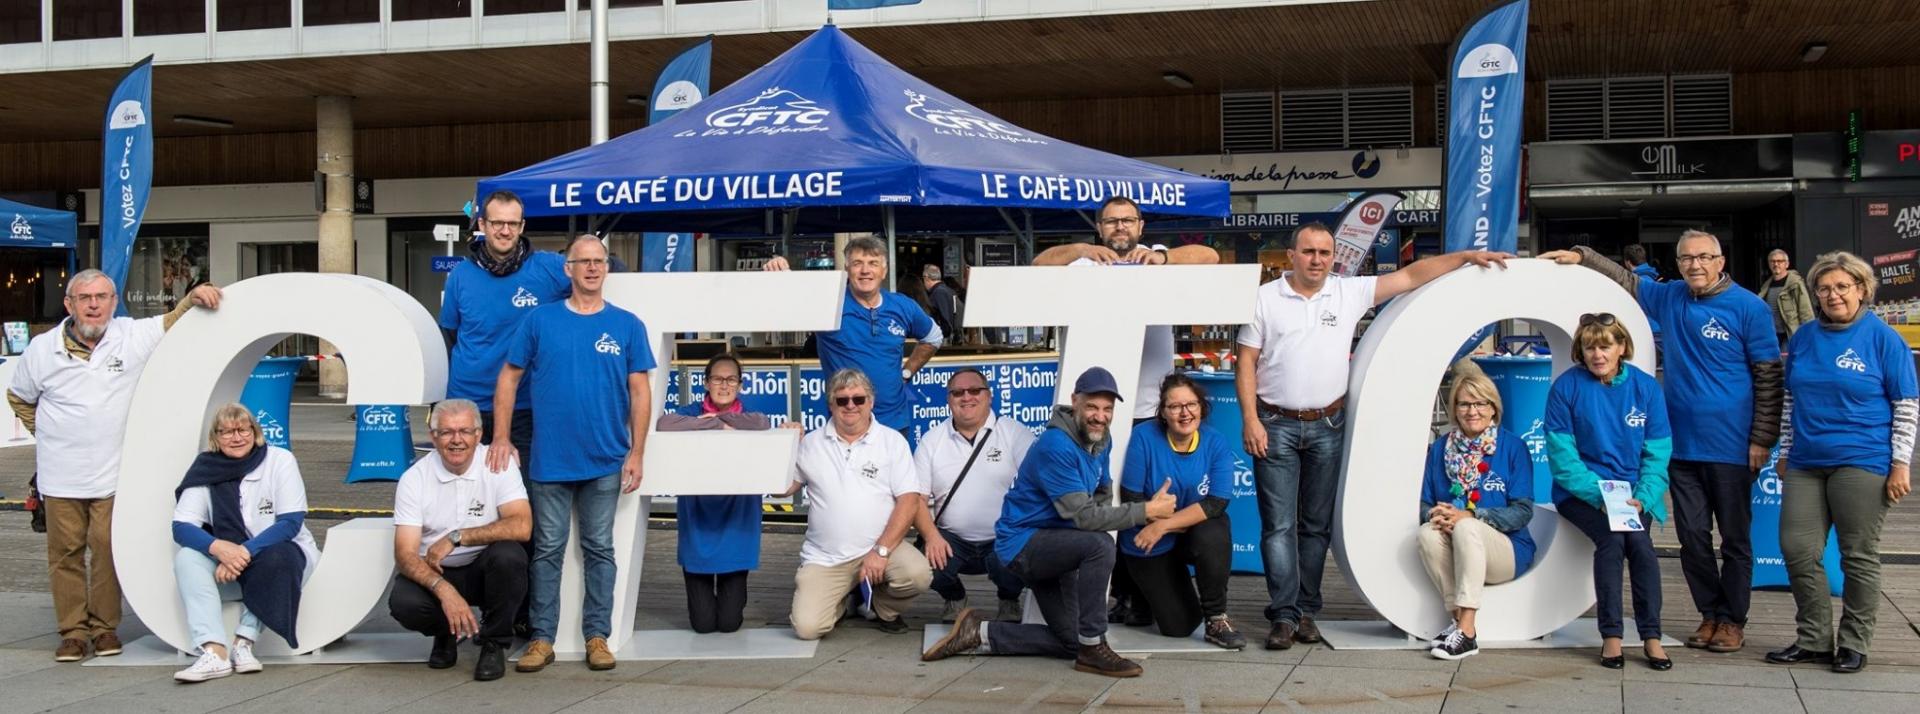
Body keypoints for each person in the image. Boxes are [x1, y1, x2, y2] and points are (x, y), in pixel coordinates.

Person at [1235, 222, 1510, 650]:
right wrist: (1250, 419)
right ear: (1290, 256)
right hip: (1275, 424)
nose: (1317, 260)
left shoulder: (1347, 291)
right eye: (1308, 252)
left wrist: (1464, 258)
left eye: (1325, 253)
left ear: (1333, 257)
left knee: (1314, 527)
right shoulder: (1265, 299)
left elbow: (1412, 276)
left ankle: (1307, 611)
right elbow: (1246, 363)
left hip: (1328, 424)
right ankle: (1283, 616)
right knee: (1278, 526)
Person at [1542, 231, 1781, 653]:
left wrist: (1763, 437)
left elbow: (1768, 376)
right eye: (1686, 259)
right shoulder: (1671, 297)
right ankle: (1709, 614)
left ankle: (1732, 621)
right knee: (1691, 538)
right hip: (1681, 448)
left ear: (1720, 261)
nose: (1695, 265)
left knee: (1735, 539)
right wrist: (1582, 254)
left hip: (1733, 445)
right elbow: (1628, 280)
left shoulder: (1750, 307)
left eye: (1704, 257)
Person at [7, 269, 223, 662]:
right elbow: (20, 397)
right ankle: (73, 633)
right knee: (65, 555)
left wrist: (195, 296)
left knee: (107, 551)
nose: (94, 305)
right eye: (85, 298)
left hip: (114, 475)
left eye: (102, 297)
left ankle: (105, 629)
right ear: (69, 305)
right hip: (60, 477)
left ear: (113, 302)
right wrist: (50, 432)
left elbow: (172, 321)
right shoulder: (42, 349)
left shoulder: (130, 335)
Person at [921, 367, 1178, 678]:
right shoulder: (1056, 445)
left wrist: (1083, 532)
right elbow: (1083, 517)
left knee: (1072, 640)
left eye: (1108, 408)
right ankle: (1096, 645)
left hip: (1056, 545)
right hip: (1022, 546)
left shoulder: (1101, 439)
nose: (1100, 416)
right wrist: (1146, 511)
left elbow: (1102, 490)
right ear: (1075, 402)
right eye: (1092, 407)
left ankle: (981, 633)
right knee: (1100, 545)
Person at [488, 234, 655, 673]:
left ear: (606, 268)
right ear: (568, 268)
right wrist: (501, 437)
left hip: (606, 459)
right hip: (550, 461)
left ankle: (597, 636)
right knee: (547, 550)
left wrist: (637, 452)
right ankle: (541, 639)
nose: (592, 268)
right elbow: (508, 378)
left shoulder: (627, 325)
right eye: (583, 261)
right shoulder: (540, 321)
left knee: (599, 548)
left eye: (599, 261)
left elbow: (641, 392)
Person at [1765, 251, 1916, 675]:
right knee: (1797, 548)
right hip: (1807, 460)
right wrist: (1786, 451)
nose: (1833, 295)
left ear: (1863, 290)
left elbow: (1905, 405)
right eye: (1824, 288)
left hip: (1863, 460)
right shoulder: (1804, 337)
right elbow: (1792, 399)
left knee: (1857, 555)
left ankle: (1854, 642)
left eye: (1842, 287)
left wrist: (1900, 464)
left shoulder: (1884, 339)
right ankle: (1813, 639)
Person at [1545, 312, 1673, 671]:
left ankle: (1652, 637)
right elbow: (1563, 459)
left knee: (1642, 549)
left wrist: (1644, 497)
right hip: (1582, 493)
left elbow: (1657, 452)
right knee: (1613, 541)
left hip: (1632, 494)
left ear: (1621, 348)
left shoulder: (1646, 389)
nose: (1597, 354)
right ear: (1580, 351)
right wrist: (1600, 496)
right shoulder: (1566, 388)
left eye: (1605, 346)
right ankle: (1612, 636)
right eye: (1590, 347)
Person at [1034, 196, 1219, 423]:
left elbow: (1210, 256)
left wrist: (1164, 257)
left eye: (1128, 220)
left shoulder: (1157, 257)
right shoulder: (1084, 263)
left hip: (1149, 405)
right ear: (1099, 227)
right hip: (1092, 405)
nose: (1120, 226)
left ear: (1140, 226)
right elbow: (1038, 266)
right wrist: (1081, 249)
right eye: (1112, 221)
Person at [169, 404, 318, 683]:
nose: (236, 438)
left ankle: (244, 642)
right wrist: (220, 549)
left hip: (275, 550)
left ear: (255, 432)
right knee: (187, 558)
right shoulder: (206, 467)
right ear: (215, 436)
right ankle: (214, 651)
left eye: (242, 430)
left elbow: (290, 522)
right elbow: (181, 526)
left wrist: (242, 552)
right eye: (226, 432)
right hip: (227, 556)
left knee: (278, 558)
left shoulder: (279, 460)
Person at [656, 353, 801, 634]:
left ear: (740, 384)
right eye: (717, 379)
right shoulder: (688, 412)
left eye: (731, 379)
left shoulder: (751, 416)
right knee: (702, 624)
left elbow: (761, 423)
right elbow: (664, 424)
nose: (724, 385)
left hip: (737, 518)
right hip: (698, 519)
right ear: (706, 383)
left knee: (728, 623)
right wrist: (714, 423)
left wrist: (723, 420)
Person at [387, 399, 531, 682]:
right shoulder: (414, 478)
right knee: (403, 603)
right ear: (433, 437)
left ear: (478, 435)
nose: (456, 440)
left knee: (510, 557)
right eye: (447, 432)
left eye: (465, 431)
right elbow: (404, 554)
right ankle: (445, 633)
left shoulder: (498, 464)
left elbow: (522, 525)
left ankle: (494, 642)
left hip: (482, 568)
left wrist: (458, 537)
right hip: (437, 571)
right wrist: (444, 591)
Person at [786, 368, 933, 640]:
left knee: (918, 575)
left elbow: (909, 500)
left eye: (858, 399)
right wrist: (783, 445)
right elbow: (782, 489)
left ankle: (882, 606)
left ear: (871, 402)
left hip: (880, 548)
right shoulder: (811, 444)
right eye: (842, 400)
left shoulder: (892, 441)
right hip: (826, 557)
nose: (850, 405)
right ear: (831, 405)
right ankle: (842, 602)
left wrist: (882, 550)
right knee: (808, 628)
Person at [440, 190, 570, 483]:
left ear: (522, 226)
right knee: (466, 497)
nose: (505, 230)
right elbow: (450, 334)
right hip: (467, 405)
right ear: (482, 225)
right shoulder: (461, 275)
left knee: (521, 497)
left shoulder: (549, 269)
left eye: (512, 223)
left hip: (524, 407)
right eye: (497, 223)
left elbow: (598, 272)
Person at [763, 237, 942, 444]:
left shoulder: (902, 306)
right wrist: (779, 269)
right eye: (858, 263)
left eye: (873, 263)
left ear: (884, 271)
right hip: (846, 424)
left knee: (893, 477)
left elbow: (934, 337)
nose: (865, 270)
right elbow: (790, 297)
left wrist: (907, 372)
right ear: (847, 269)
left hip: (894, 423)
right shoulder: (830, 303)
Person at [1115, 373, 1246, 650]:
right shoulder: (1143, 437)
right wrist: (1156, 517)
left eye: (1191, 404)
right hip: (1146, 538)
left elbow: (1216, 503)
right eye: (1175, 407)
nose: (1185, 413)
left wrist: (1163, 524)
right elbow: (1131, 497)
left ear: (1201, 407)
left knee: (1215, 528)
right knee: (1179, 627)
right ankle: (1141, 596)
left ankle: (1216, 619)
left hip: (1167, 530)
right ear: (1163, 412)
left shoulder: (1215, 441)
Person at [1416, 361, 1536, 661]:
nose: (1473, 411)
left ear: (1494, 408)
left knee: (1467, 527)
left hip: (1506, 551)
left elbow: (1522, 512)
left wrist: (1473, 516)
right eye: (1465, 404)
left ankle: (1467, 632)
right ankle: (1457, 620)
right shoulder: (1441, 448)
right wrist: (1436, 515)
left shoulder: (1513, 448)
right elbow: (1423, 503)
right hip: (1456, 547)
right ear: (1454, 409)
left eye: (1481, 403)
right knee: (1427, 534)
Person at [912, 367, 1036, 624]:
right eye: (957, 392)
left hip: (1001, 535)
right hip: (951, 539)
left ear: (989, 396)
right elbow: (917, 501)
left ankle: (1009, 599)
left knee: (1021, 550)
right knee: (924, 563)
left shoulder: (1015, 433)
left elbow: (1037, 486)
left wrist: (1020, 527)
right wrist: (931, 536)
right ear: (948, 400)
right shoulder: (931, 440)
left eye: (974, 390)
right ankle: (955, 598)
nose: (966, 397)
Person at [1757, 249, 1815, 349]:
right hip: (1772, 335)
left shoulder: (1795, 284)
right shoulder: (1766, 286)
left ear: (1786, 264)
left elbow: (1806, 312)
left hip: (1790, 335)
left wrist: (1808, 336)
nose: (1776, 264)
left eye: (1780, 261)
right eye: (1772, 261)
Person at [922, 265, 965, 345]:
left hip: (944, 340)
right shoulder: (948, 290)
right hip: (951, 337)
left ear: (926, 278)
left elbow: (945, 319)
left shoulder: (938, 293)